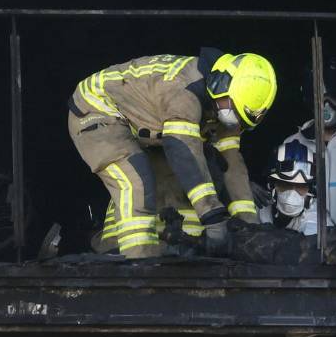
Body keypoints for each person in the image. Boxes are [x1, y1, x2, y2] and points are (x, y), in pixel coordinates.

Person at [68, 49, 276, 258]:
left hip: (140, 122)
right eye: (231, 113)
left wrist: (249, 227)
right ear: (219, 84)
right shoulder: (183, 89)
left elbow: (232, 164)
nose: (230, 122)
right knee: (135, 180)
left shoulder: (228, 105)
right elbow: (182, 148)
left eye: (238, 120)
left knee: (193, 169)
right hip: (95, 107)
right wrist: (212, 216)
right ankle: (139, 263)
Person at [283, 56, 336, 230]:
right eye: (317, 98)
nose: (326, 105)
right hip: (304, 251)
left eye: (334, 96)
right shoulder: (292, 145)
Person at [259, 140, 318, 235]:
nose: (292, 193)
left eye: (301, 186)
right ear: (271, 185)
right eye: (286, 184)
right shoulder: (259, 210)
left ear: (311, 191)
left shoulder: (318, 220)